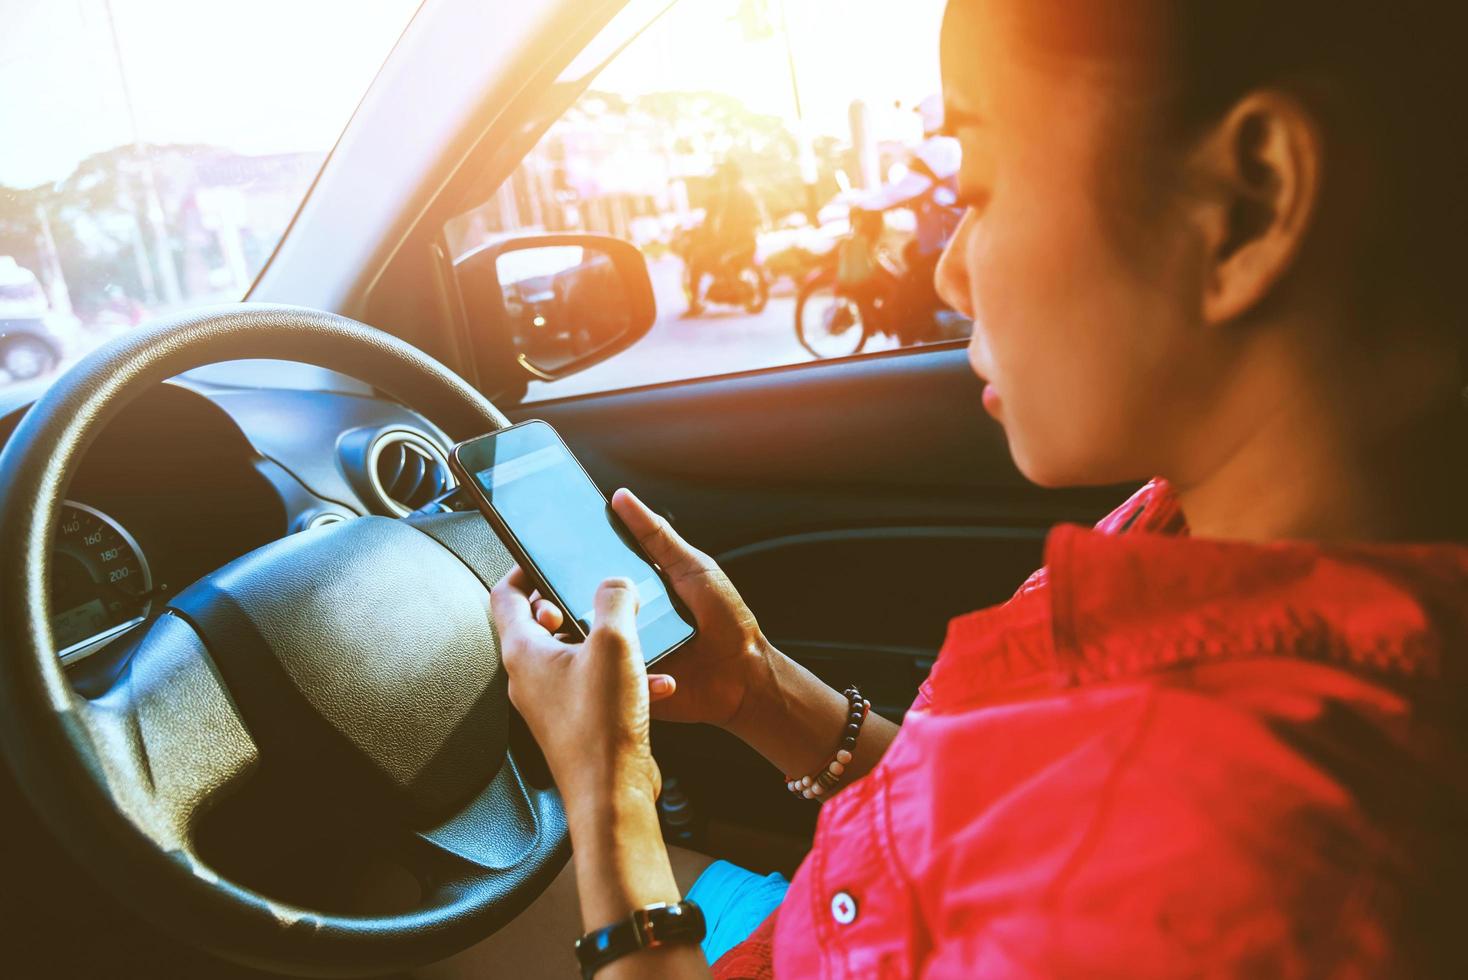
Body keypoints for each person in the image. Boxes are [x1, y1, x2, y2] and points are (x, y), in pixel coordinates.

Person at [470, 1, 1468, 976]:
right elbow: (995, 823)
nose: (947, 273)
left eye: (979, 188)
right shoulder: (1194, 521)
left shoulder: (1240, 871)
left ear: (1244, 204)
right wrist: (762, 691)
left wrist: (606, 801)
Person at [684, 159, 765, 316]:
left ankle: (696, 303)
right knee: (702, 257)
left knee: (699, 260)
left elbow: (726, 223)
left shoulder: (735, 194)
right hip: (736, 241)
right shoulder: (734, 193)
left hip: (737, 243)